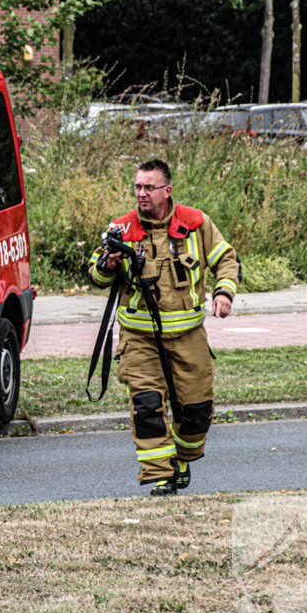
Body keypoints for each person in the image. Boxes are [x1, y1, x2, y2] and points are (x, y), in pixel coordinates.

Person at [89, 159, 239, 496]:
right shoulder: (121, 229)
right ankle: (161, 477)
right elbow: (97, 276)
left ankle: (183, 458)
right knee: (146, 407)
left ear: (167, 191)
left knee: (197, 411)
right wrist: (107, 263)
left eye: (148, 187)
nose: (141, 194)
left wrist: (224, 292)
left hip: (189, 338)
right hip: (139, 339)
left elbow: (226, 259)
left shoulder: (196, 223)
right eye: (137, 187)